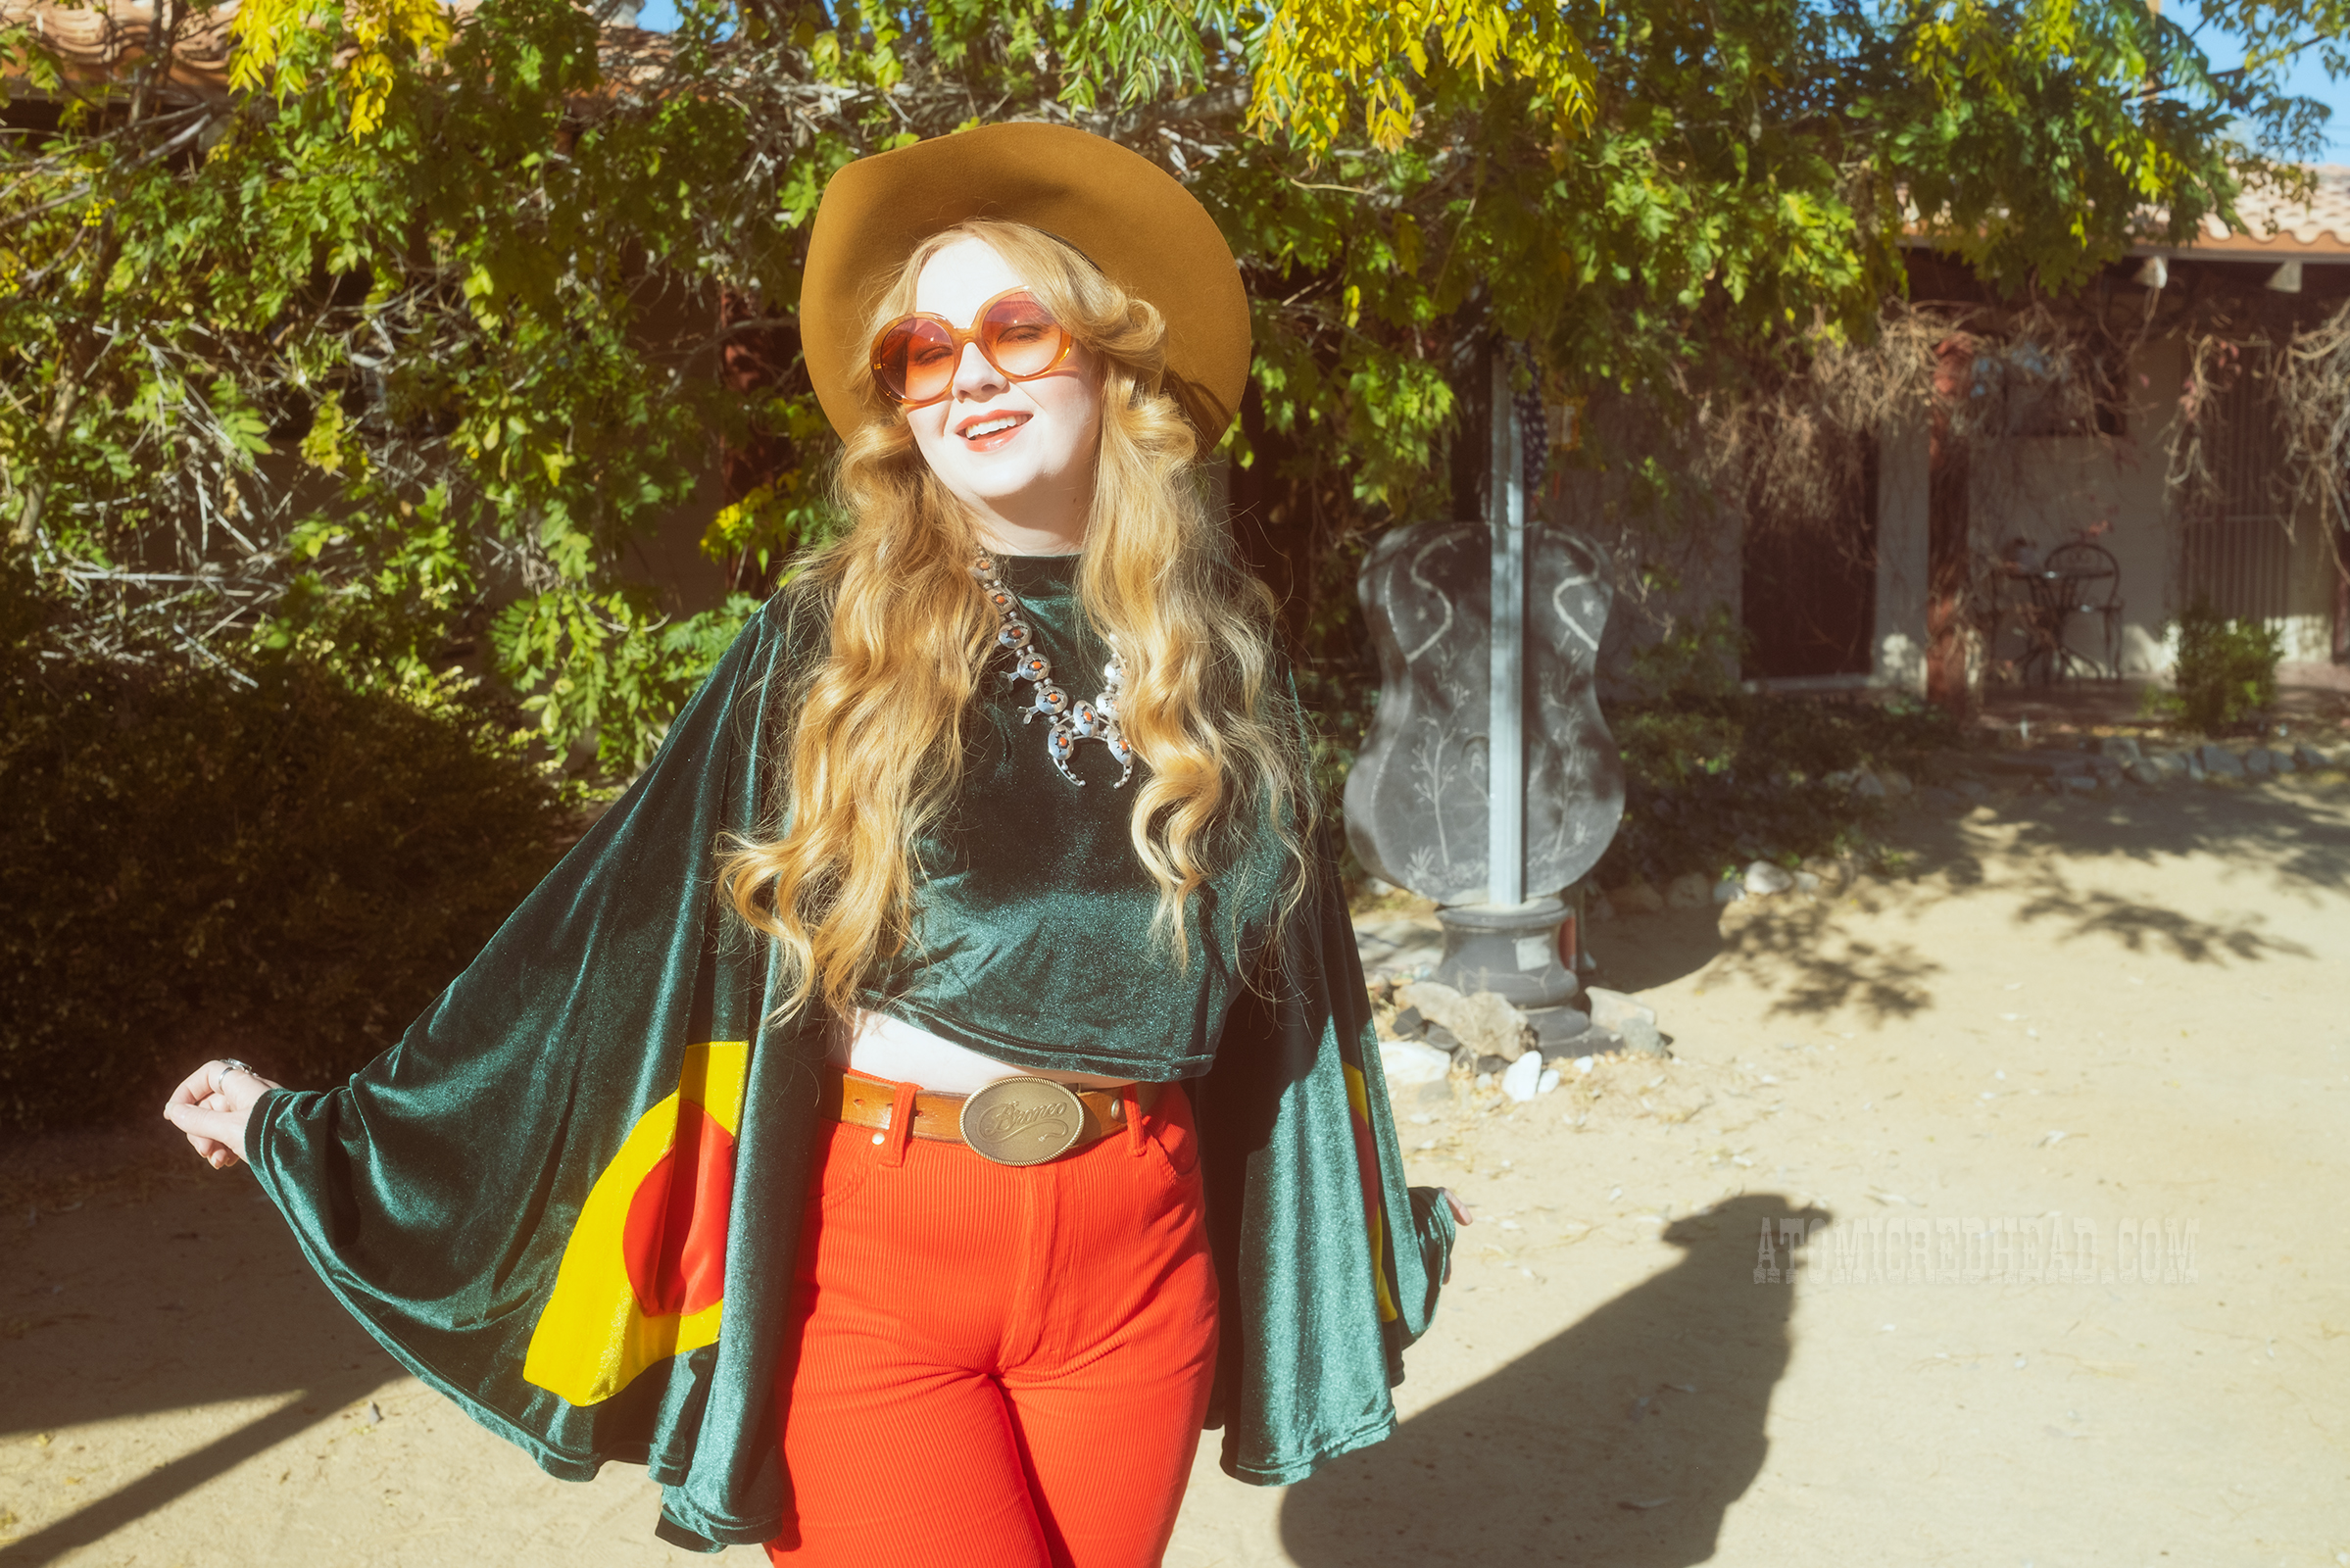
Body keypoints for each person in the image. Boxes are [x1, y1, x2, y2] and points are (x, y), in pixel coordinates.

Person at [165, 122, 1460, 1567]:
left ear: (1111, 364)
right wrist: (328, 1128)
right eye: (921, 349)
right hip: (877, 1259)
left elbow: (1296, 1007)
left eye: (1014, 329)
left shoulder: (1225, 666)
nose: (965, 371)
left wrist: (1351, 1245)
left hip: (1137, 1256)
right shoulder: (824, 649)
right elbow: (607, 932)